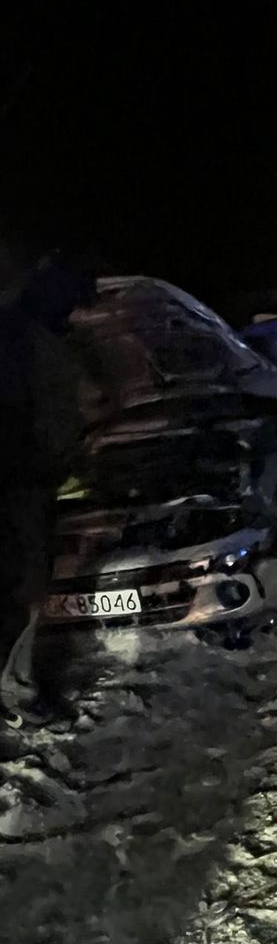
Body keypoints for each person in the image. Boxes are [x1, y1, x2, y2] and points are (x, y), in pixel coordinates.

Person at [0, 248, 94, 726]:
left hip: (28, 479)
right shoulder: (26, 340)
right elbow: (37, 418)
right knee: (24, 586)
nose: (75, 313)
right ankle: (15, 694)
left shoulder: (27, 334)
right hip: (21, 483)